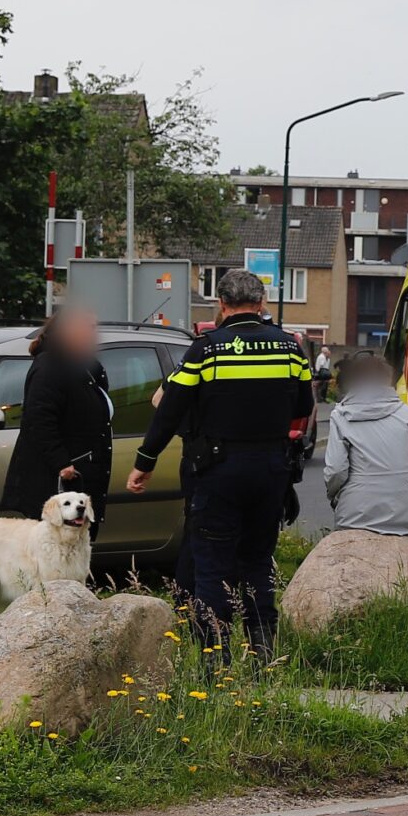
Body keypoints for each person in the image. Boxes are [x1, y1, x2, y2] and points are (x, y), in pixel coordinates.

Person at [125, 268, 312, 651]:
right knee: (258, 562)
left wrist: (144, 462)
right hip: (270, 471)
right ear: (260, 304)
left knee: (212, 564)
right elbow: (304, 405)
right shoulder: (291, 348)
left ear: (222, 306)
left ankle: (215, 659)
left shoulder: (207, 348)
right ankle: (263, 652)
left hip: (218, 472)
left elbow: (169, 411)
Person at [2, 302, 111, 532]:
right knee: (51, 557)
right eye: (87, 327)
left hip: (84, 477)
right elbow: (38, 420)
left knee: (78, 553)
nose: (93, 334)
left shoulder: (87, 367)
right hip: (56, 483)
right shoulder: (49, 366)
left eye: (94, 327)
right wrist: (62, 463)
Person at [322, 352, 408, 539]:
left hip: (354, 510)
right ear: (387, 380)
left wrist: (335, 498)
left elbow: (336, 469)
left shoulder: (341, 416)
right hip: (402, 511)